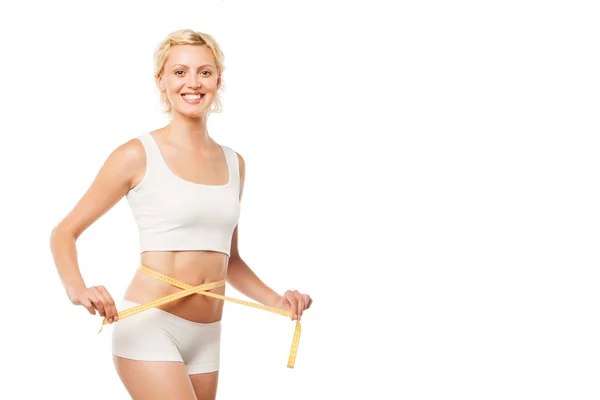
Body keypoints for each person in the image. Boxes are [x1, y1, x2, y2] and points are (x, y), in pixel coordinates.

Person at [49, 28, 312, 400]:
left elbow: (229, 260)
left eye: (204, 72)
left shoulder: (234, 163)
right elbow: (64, 232)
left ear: (219, 80)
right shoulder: (136, 154)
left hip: (208, 336)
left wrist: (276, 300)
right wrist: (77, 288)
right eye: (179, 72)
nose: (193, 83)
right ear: (161, 80)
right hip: (150, 327)